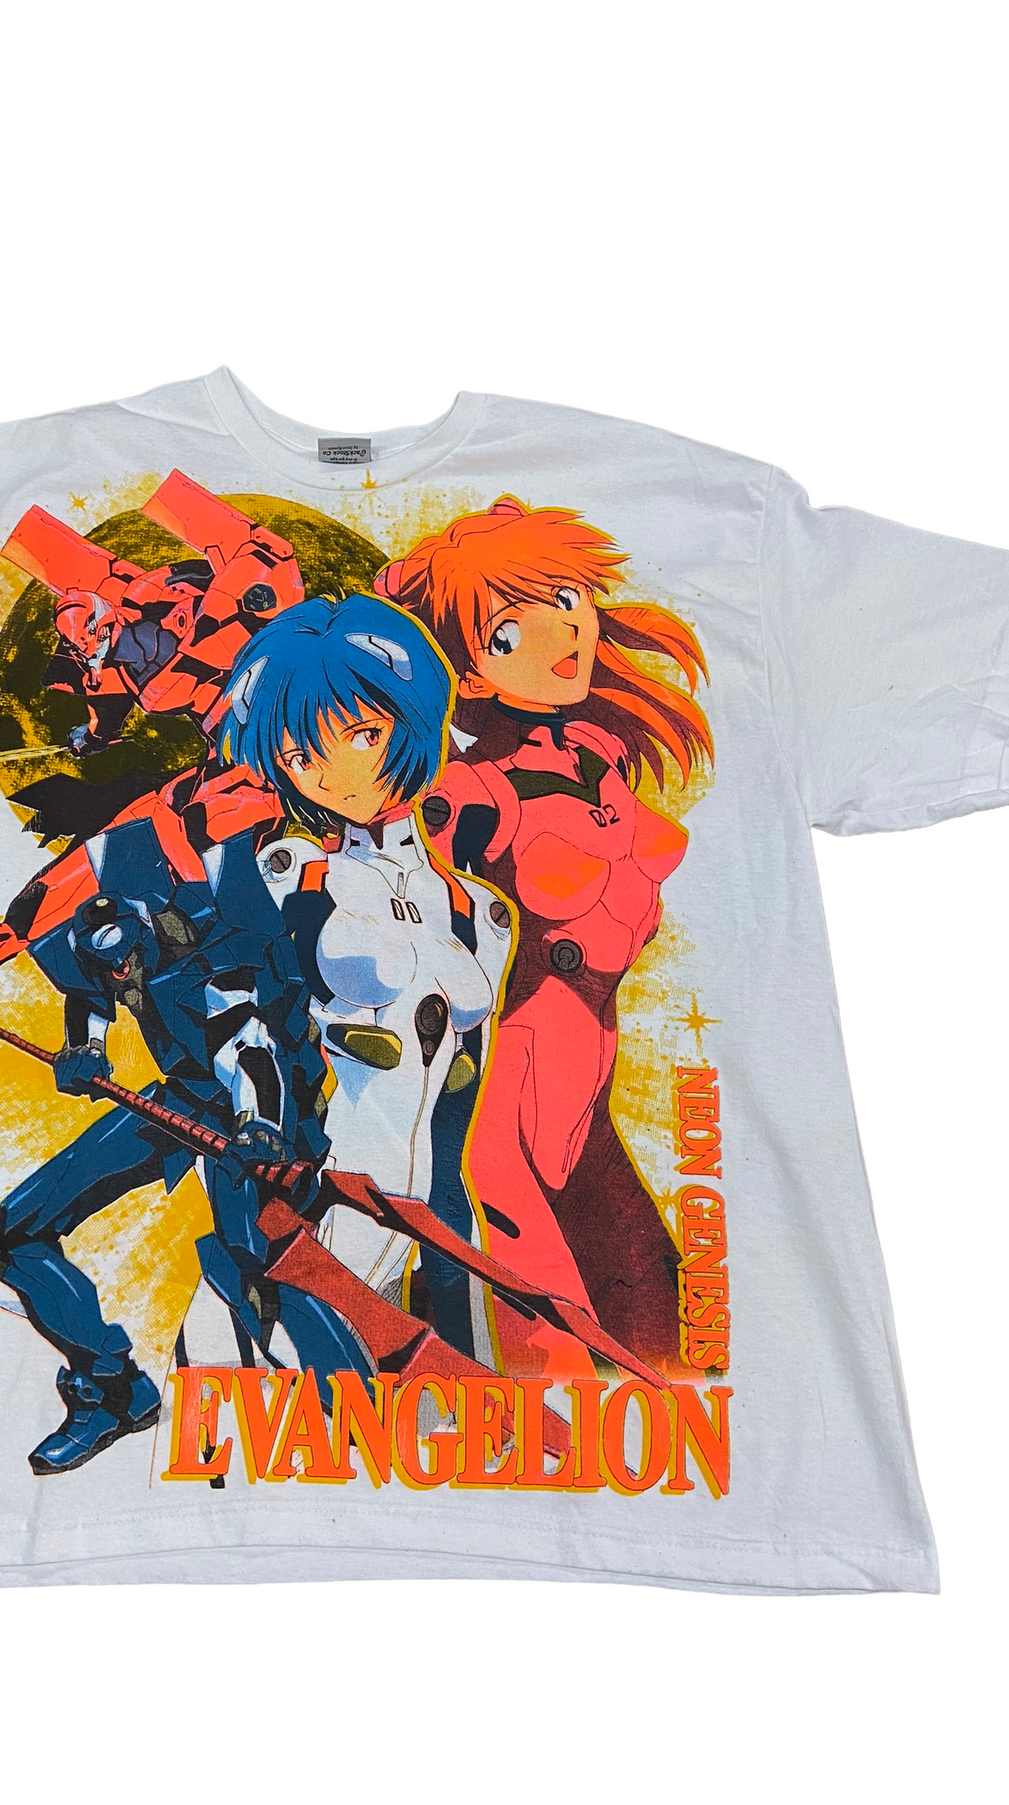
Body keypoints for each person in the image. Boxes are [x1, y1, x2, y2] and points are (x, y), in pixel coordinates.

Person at [0, 812, 365, 1476]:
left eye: (127, 962)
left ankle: (357, 1406)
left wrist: (260, 1128)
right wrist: (84, 1053)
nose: (120, 977)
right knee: (17, 1232)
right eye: (107, 968)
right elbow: (88, 1003)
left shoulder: (210, 958)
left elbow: (253, 1050)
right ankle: (116, 1392)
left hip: (259, 1112)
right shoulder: (97, 958)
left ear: (150, 934)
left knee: (253, 1257)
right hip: (182, 1097)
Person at [379, 495, 712, 1372]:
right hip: (505, 1083)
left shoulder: (599, 748)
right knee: (550, 1331)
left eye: (566, 598)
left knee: (657, 1321)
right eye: (506, 631)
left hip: (587, 1072)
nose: (561, 630)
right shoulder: (465, 793)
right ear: (469, 675)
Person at [219, 593, 514, 1360]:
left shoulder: (476, 909)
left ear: (411, 721)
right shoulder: (291, 872)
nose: (336, 773)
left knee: (455, 1406)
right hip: (329, 1202)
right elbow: (244, 1010)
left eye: (361, 733)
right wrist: (255, 1116)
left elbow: (462, 1090)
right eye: (300, 757)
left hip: (437, 1215)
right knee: (284, 1384)